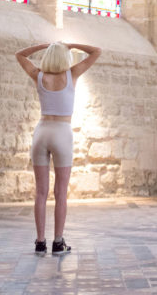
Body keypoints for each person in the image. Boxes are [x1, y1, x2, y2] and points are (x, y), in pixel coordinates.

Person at [15, 41, 101, 255]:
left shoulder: (39, 75)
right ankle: (58, 241)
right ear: (65, 58)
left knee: (41, 192)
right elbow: (96, 51)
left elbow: (20, 54)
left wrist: (42, 46)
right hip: (62, 132)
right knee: (60, 193)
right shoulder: (72, 74)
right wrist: (70, 45)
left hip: (41, 131)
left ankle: (40, 241)